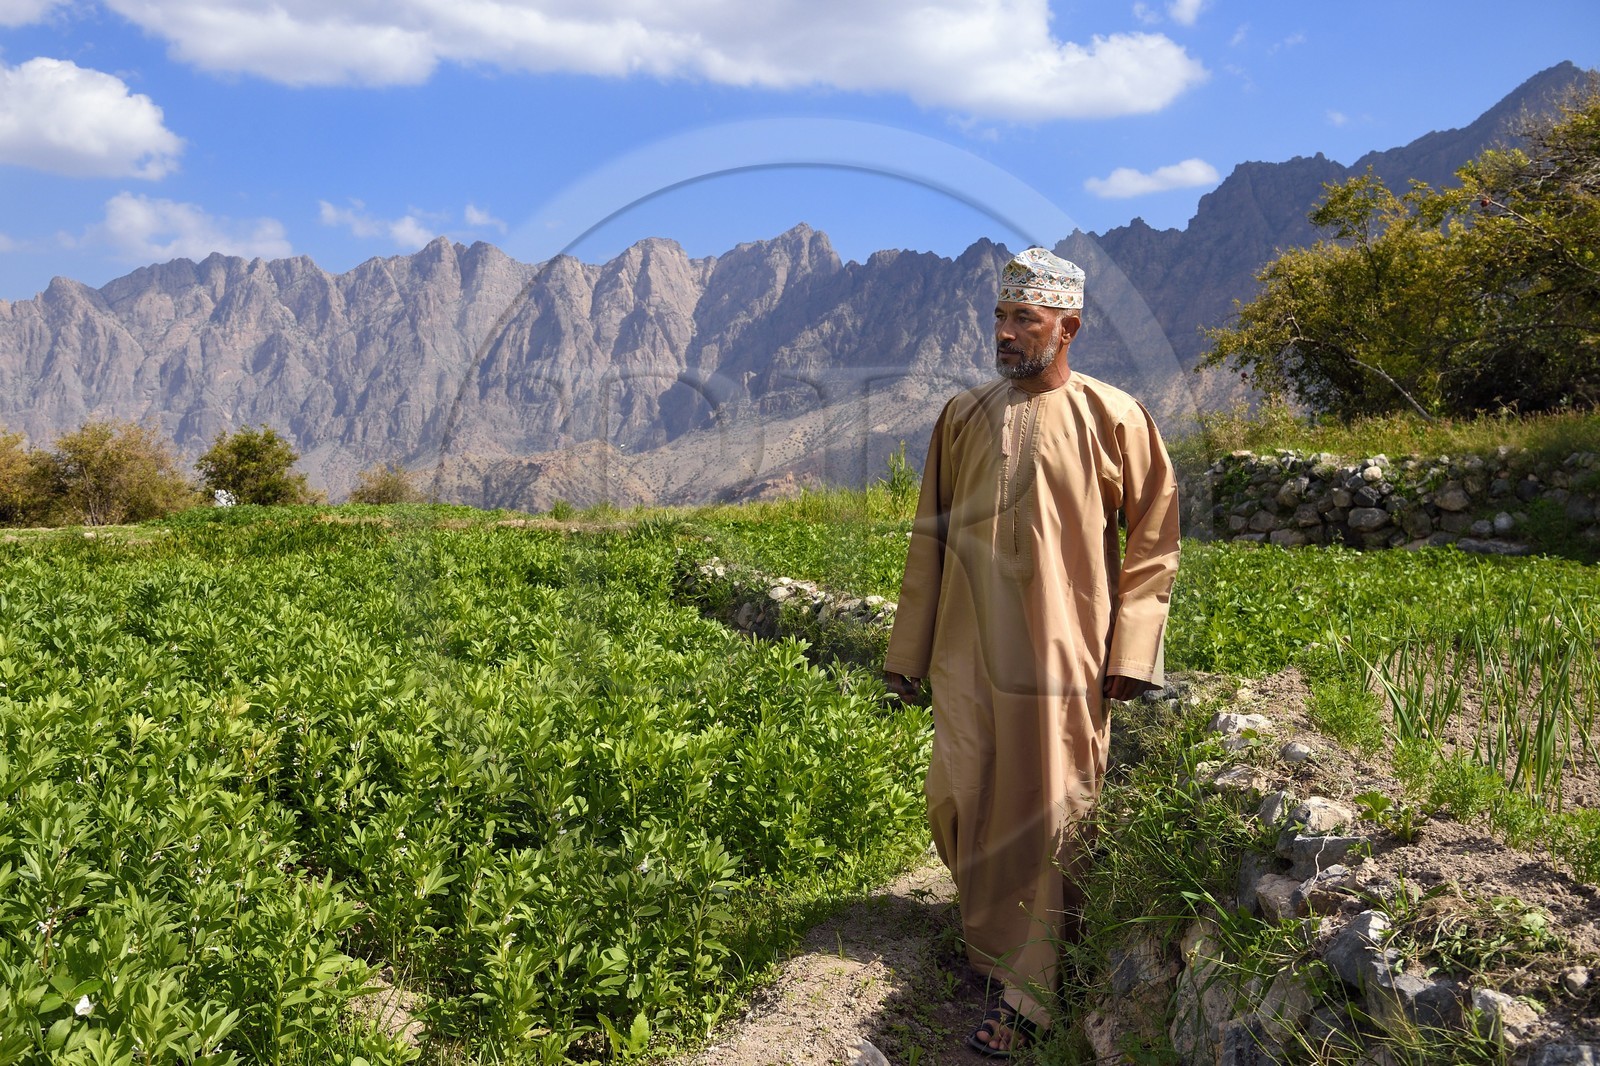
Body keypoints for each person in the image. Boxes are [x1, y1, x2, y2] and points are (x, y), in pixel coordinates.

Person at [882, 247, 1180, 1058]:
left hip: (1065, 651)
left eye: (1025, 320)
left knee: (1053, 809)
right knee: (962, 792)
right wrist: (907, 654)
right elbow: (928, 540)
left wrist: (1134, 648)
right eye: (1000, 318)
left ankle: (1034, 992)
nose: (1006, 334)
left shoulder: (1115, 415)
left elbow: (1154, 541)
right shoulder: (962, 414)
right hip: (964, 648)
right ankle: (990, 948)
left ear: (1068, 327)